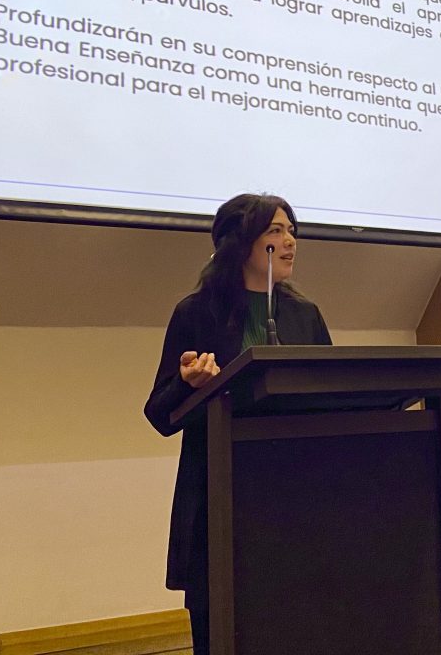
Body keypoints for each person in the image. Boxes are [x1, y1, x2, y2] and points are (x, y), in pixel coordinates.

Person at [144, 193, 332, 655]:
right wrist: (188, 383)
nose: (290, 241)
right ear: (240, 241)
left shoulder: (304, 315)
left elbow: (330, 393)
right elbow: (159, 414)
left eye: (292, 231)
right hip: (223, 498)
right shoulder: (197, 312)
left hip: (293, 498)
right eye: (275, 231)